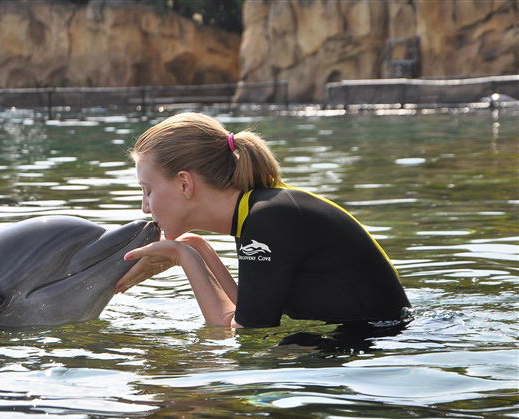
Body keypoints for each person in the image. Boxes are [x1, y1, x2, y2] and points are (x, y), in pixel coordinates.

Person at [114, 112, 411, 329]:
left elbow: (240, 333)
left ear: (184, 184)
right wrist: (197, 248)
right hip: (363, 346)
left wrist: (183, 256)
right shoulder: (255, 213)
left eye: (148, 191)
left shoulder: (266, 220)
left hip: (375, 351)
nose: (145, 208)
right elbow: (249, 312)